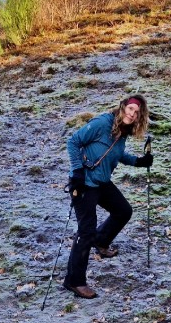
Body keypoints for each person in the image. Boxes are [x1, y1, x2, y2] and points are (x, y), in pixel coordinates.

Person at [63, 95, 153, 299]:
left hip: (101, 182)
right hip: (84, 182)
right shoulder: (102, 123)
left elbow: (117, 154)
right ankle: (74, 281)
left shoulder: (123, 130)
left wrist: (138, 162)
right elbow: (73, 142)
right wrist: (77, 172)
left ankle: (101, 241)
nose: (132, 114)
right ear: (122, 107)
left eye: (137, 112)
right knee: (86, 231)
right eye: (130, 109)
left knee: (123, 211)